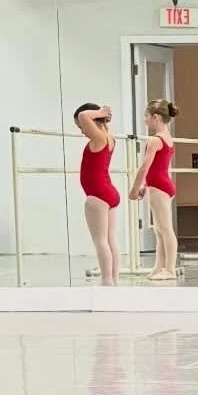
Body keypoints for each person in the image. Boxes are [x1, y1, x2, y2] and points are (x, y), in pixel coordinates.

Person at [129, 99, 179, 281]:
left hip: (159, 186)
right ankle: (159, 266)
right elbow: (153, 168)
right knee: (159, 229)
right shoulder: (167, 137)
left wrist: (134, 189)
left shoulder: (155, 140)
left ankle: (170, 269)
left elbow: (144, 167)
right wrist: (144, 186)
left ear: (155, 117)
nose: (145, 120)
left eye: (146, 116)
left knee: (165, 229)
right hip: (160, 184)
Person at [74, 102, 120, 286]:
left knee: (101, 241)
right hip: (108, 192)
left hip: (98, 194)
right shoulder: (109, 137)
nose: (82, 131)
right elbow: (85, 118)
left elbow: (84, 116)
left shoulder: (99, 139)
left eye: (81, 127)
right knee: (110, 239)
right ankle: (113, 280)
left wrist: (100, 112)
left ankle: (107, 281)